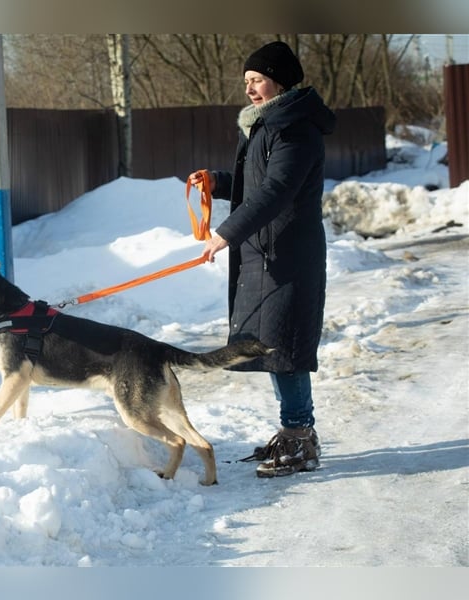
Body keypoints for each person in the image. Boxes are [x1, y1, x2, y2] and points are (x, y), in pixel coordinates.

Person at [189, 40, 336, 478]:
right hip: (266, 254)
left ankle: (299, 438)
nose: (250, 89)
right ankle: (293, 432)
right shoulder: (267, 126)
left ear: (280, 80)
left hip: (289, 255)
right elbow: (257, 184)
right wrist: (218, 182)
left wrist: (225, 235)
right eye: (247, 82)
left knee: (285, 347)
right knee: (274, 347)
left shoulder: (295, 129)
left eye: (257, 80)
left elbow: (277, 191)